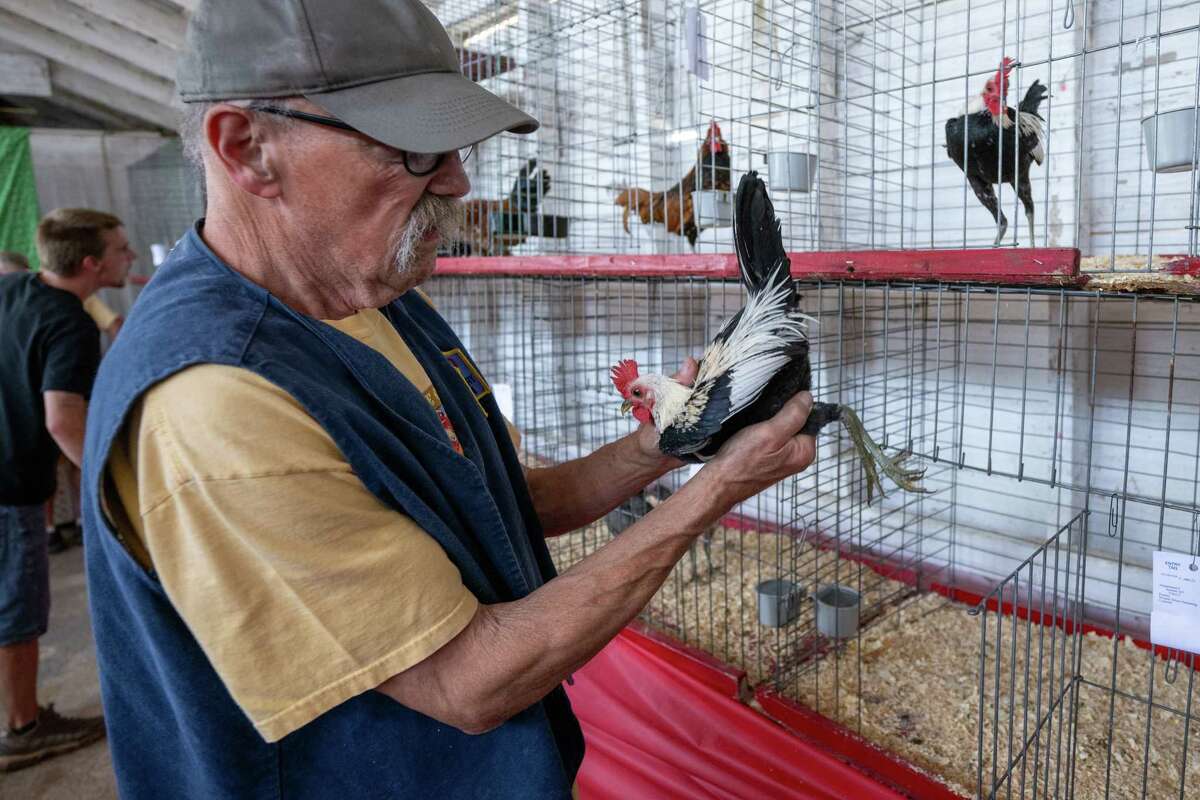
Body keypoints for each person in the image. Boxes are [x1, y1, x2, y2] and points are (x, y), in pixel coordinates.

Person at [81, 1, 817, 797]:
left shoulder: (366, 295)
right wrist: (718, 489)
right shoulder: (217, 401)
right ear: (248, 149)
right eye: (411, 149)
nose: (459, 180)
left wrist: (668, 442)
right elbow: (469, 682)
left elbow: (502, 501)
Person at [0, 209, 134, 770]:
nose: (130, 257)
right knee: (18, 606)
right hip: (12, 485)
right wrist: (111, 489)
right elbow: (62, 419)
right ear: (91, 263)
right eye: (121, 249)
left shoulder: (15, 289)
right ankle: (23, 726)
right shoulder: (68, 324)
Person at [1, 250, 124, 553]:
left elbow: (114, 324)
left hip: (41, 433)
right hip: (18, 474)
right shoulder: (64, 316)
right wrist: (118, 490)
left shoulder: (69, 309)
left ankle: (81, 521)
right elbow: (60, 421)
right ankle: (54, 527)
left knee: (64, 468)